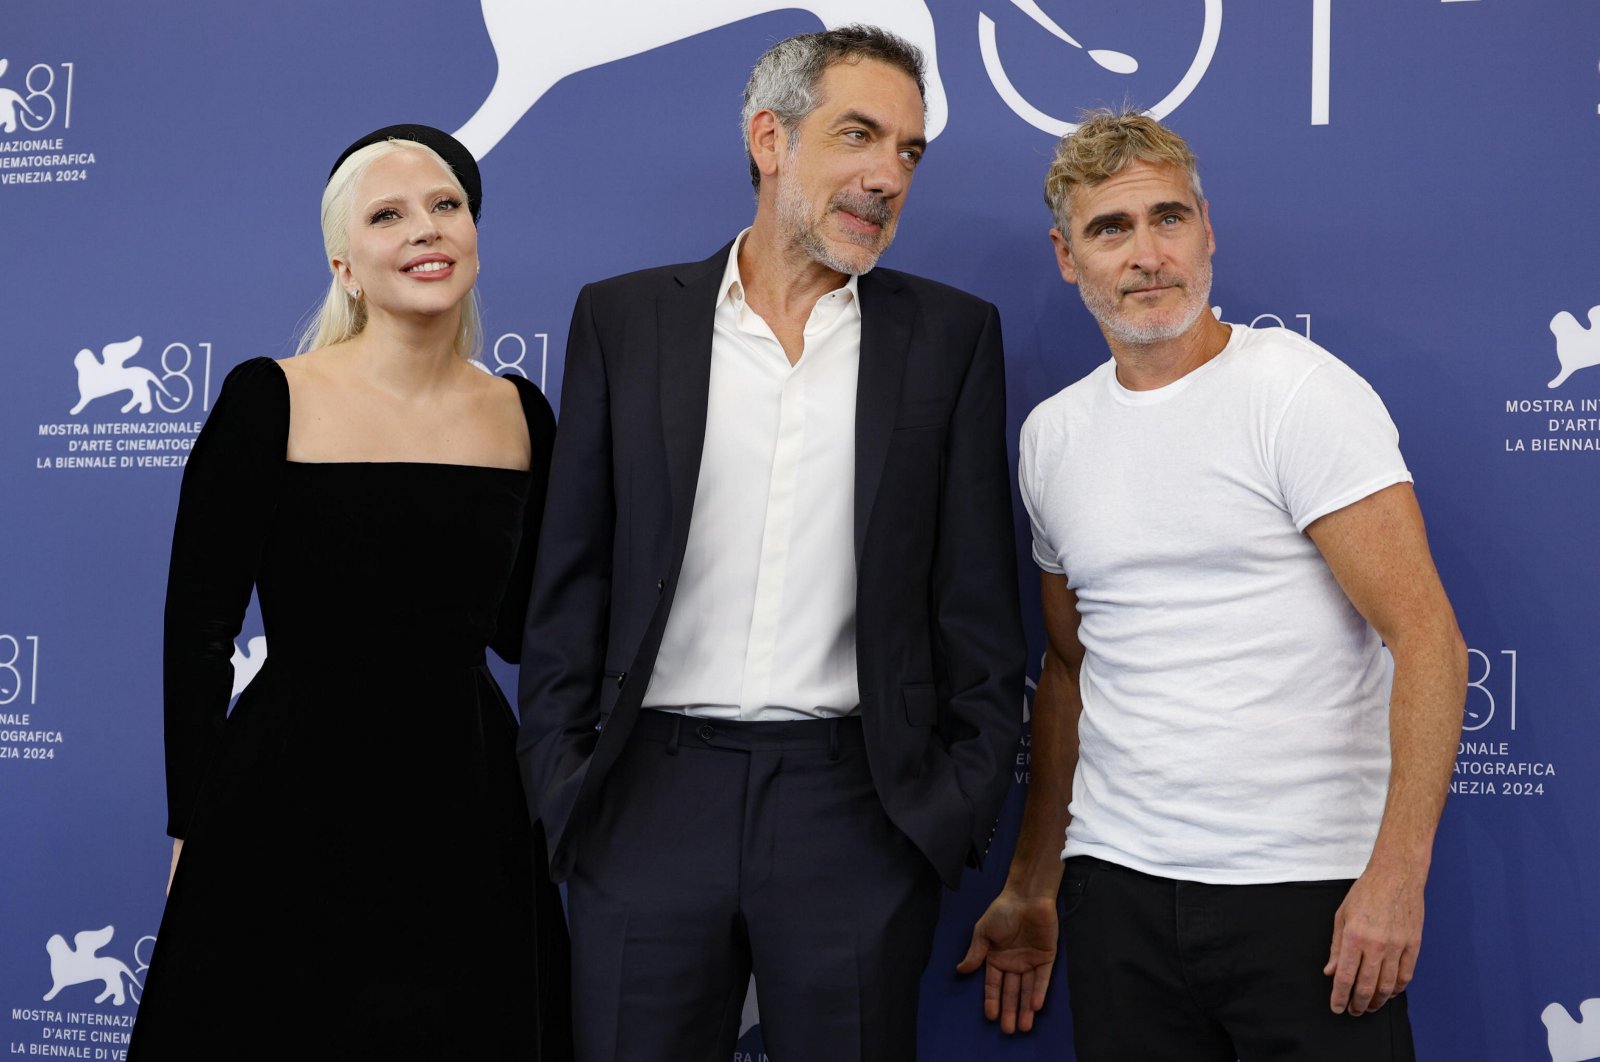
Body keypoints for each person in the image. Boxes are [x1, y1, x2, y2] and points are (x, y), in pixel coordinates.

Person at [517, 25, 1025, 1062]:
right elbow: (570, 580)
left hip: (857, 808)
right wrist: (565, 788)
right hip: (646, 799)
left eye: (910, 151)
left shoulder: (950, 337)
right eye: (858, 135)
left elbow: (976, 602)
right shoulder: (625, 321)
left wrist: (945, 812)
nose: (887, 175)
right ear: (769, 138)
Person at [959, 109, 1468, 1061]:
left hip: (1309, 896)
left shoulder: (1296, 393)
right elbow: (1070, 671)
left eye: (1170, 218)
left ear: (1207, 230)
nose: (1148, 254)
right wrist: (1034, 881)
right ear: (1068, 259)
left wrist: (1397, 878)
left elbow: (1426, 637)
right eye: (1112, 229)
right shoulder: (1051, 438)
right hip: (1117, 893)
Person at [130, 125, 572, 1060]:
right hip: (289, 793)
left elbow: (531, 629)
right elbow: (198, 633)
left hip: (466, 799)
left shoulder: (522, 414)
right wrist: (189, 828)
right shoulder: (271, 400)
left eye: (446, 205)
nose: (427, 227)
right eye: (390, 214)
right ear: (346, 265)